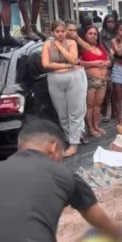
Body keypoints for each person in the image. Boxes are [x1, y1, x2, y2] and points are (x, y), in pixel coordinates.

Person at [41, 20, 84, 157]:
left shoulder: (72, 43)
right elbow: (46, 64)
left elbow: (73, 59)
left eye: (62, 31)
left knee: (75, 112)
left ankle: (74, 143)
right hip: (55, 79)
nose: (60, 34)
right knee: (62, 113)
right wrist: (66, 66)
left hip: (73, 78)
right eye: (57, 31)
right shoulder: (47, 44)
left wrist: (60, 47)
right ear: (52, 33)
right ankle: (68, 138)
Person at [80, 26, 110, 137]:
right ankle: (90, 128)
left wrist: (106, 63)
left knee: (98, 104)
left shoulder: (101, 47)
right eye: (90, 33)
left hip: (102, 80)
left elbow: (108, 60)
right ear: (85, 35)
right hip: (90, 80)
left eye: (95, 34)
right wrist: (94, 63)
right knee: (90, 105)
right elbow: (78, 62)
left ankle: (96, 125)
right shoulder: (82, 48)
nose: (93, 35)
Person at [98, 14, 119, 122]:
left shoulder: (118, 33)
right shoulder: (101, 34)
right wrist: (108, 58)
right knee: (108, 89)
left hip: (118, 62)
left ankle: (114, 112)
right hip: (107, 63)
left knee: (116, 89)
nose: (111, 24)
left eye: (112, 22)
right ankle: (105, 111)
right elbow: (101, 48)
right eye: (108, 22)